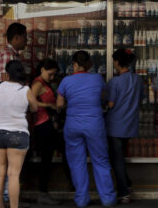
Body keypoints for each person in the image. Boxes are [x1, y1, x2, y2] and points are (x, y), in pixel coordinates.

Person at [57, 51, 117, 208]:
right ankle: (108, 198)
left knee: (77, 162)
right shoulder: (98, 79)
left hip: (73, 125)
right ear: (89, 64)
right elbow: (104, 97)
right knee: (100, 160)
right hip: (94, 125)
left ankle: (82, 199)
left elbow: (59, 104)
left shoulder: (66, 81)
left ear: (75, 65)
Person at [0, 60, 38, 208]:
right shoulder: (25, 90)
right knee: (13, 175)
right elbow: (34, 108)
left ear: (7, 73)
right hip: (18, 133)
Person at [105, 49, 142, 204]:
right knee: (116, 158)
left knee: (117, 160)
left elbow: (111, 104)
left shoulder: (115, 82)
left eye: (114, 62)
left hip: (115, 126)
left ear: (118, 62)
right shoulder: (138, 79)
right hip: (130, 124)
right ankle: (126, 183)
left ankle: (124, 192)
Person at [29, 58, 65, 206]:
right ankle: (42, 192)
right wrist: (49, 105)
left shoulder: (44, 83)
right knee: (46, 160)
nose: (52, 77)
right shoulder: (37, 83)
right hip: (42, 125)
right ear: (42, 69)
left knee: (49, 159)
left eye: (54, 75)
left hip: (47, 125)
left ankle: (44, 192)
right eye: (50, 74)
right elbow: (31, 102)